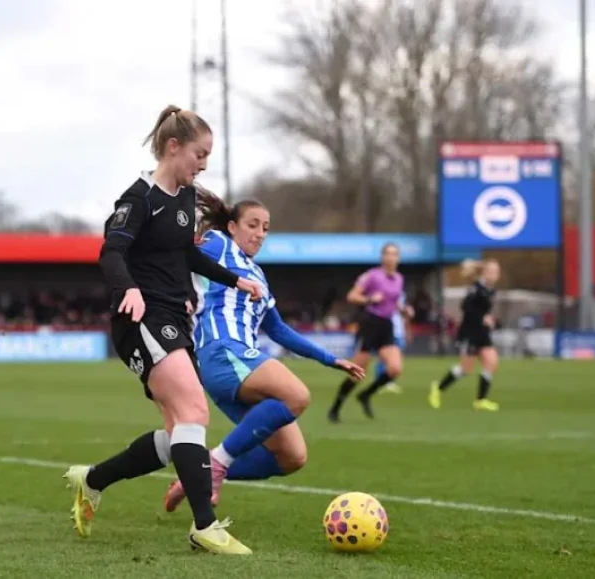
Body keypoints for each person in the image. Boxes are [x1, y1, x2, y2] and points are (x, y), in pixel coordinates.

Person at [63, 105, 262, 555]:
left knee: (179, 434)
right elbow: (111, 252)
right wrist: (128, 288)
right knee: (195, 412)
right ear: (174, 147)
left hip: (174, 318)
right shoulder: (139, 198)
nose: (204, 164)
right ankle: (205, 526)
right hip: (141, 318)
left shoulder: (186, 200)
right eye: (200, 153)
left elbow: (186, 257)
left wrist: (235, 278)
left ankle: (92, 480)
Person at [162, 192, 364, 512]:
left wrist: (330, 358)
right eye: (252, 225)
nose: (259, 233)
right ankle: (216, 463)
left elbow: (279, 330)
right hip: (223, 351)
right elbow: (176, 251)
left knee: (291, 456)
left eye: (266, 228)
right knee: (296, 396)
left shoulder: (258, 276)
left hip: (237, 364)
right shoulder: (218, 243)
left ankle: (198, 476)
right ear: (232, 226)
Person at [327, 243, 413, 422]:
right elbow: (352, 296)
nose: (391, 258)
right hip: (370, 323)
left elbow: (394, 302)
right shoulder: (372, 276)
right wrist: (369, 299)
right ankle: (335, 407)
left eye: (394, 254)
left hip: (386, 325)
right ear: (383, 257)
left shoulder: (399, 278)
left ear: (398, 258)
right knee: (357, 371)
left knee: (395, 368)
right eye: (388, 254)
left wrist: (404, 310)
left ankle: (366, 395)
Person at [429, 259, 501, 411]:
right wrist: (482, 317)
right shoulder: (476, 288)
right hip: (470, 332)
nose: (494, 275)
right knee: (466, 369)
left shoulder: (491, 290)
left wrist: (491, 320)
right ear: (485, 273)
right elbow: (465, 307)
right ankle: (438, 388)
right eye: (492, 271)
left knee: (491, 362)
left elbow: (483, 310)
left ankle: (481, 400)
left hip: (482, 333)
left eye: (496, 272)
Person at [375, 294, 407, 395]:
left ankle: (388, 381)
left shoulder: (401, 294)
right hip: (387, 329)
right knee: (384, 357)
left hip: (398, 331)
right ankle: (381, 381)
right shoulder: (384, 293)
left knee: (395, 358)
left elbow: (402, 313)